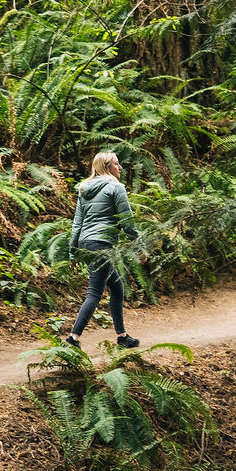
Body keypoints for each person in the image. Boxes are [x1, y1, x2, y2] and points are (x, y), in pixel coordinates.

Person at [65, 150, 141, 349]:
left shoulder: (84, 189)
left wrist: (73, 251)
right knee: (94, 293)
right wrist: (140, 246)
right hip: (102, 245)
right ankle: (73, 338)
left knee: (117, 287)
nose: (120, 167)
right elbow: (127, 222)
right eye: (117, 164)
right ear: (107, 167)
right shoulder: (116, 188)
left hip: (86, 244)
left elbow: (77, 223)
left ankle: (122, 336)